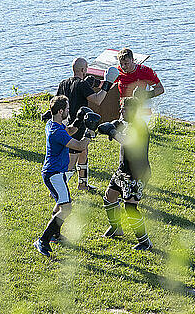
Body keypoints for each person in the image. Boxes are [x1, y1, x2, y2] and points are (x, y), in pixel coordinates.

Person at [33, 95, 99, 257]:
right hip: (54, 174)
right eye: (68, 110)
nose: (69, 112)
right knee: (67, 208)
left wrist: (78, 121)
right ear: (61, 110)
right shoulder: (57, 132)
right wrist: (90, 131)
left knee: (59, 205)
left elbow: (68, 131)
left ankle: (55, 234)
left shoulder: (53, 124)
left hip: (56, 172)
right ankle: (43, 240)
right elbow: (79, 145)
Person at [97, 97, 153, 250]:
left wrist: (112, 131)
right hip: (123, 170)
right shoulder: (128, 123)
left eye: (125, 109)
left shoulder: (139, 126)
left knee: (130, 207)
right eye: (122, 108)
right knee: (109, 197)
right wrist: (108, 126)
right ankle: (116, 229)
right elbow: (118, 126)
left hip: (137, 173)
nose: (121, 110)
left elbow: (128, 141)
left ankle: (145, 242)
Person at [54, 58, 116, 191]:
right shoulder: (81, 84)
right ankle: (57, 188)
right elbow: (98, 100)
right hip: (79, 125)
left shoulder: (63, 83)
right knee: (72, 159)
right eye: (86, 68)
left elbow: (55, 103)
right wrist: (108, 83)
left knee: (83, 153)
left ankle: (83, 184)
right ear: (83, 70)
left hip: (66, 124)